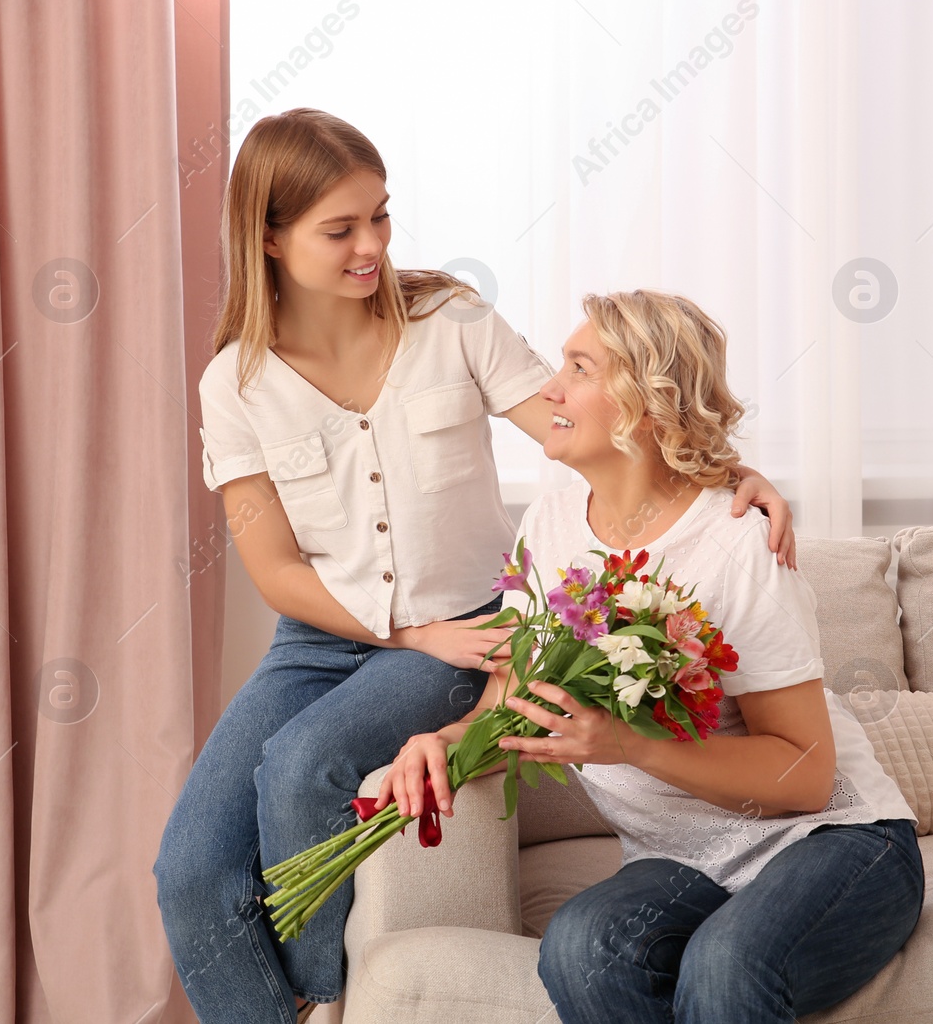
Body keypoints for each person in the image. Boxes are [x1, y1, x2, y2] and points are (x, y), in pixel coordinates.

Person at [153, 110, 797, 1024]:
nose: (371, 244)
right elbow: (276, 569)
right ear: (268, 234)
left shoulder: (450, 323)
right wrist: (409, 634)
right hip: (328, 640)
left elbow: (597, 427)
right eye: (340, 229)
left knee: (303, 767)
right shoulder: (236, 383)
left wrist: (733, 471)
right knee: (186, 870)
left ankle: (324, 1005)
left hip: (473, 627)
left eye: (380, 216)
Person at [377, 289, 921, 1023]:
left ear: (645, 403)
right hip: (680, 860)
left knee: (725, 970)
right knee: (580, 948)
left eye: (578, 368)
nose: (549, 389)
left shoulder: (737, 541)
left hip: (831, 843)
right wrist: (439, 744)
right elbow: (514, 694)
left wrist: (628, 746)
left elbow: (806, 776)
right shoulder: (554, 519)